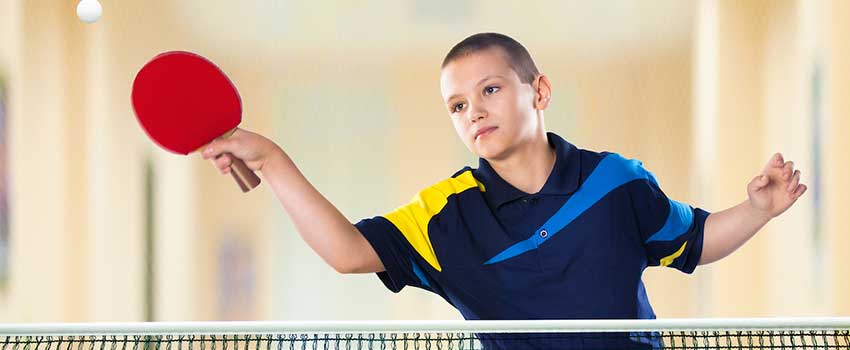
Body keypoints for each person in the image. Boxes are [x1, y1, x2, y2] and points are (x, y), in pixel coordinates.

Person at [201, 32, 807, 349]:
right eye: (457, 105)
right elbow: (346, 252)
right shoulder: (445, 215)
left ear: (538, 91)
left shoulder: (615, 181)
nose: (473, 112)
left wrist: (758, 210)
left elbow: (695, 241)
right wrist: (272, 159)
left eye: (489, 90)